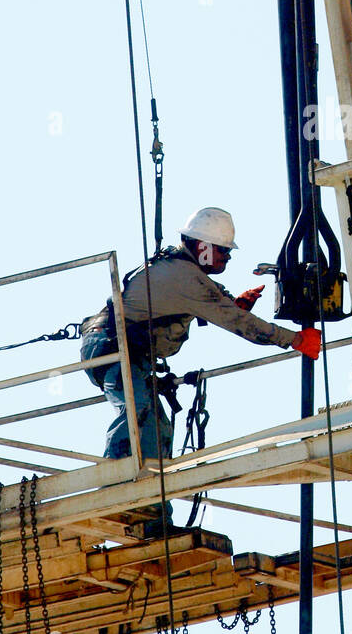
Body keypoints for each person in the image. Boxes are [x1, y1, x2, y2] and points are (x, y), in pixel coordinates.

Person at [80, 207, 321, 515]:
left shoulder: (185, 272)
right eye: (222, 251)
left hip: (128, 352)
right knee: (139, 415)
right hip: (111, 349)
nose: (227, 258)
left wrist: (236, 304)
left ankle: (148, 503)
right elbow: (237, 322)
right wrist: (295, 340)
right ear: (202, 247)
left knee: (159, 427)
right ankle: (114, 494)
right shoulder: (183, 276)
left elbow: (220, 306)